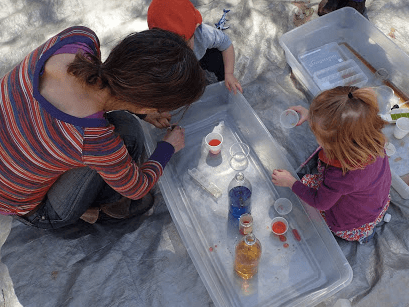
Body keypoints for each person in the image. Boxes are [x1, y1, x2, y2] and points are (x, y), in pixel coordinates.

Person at [0, 26, 206, 229]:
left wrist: (141, 110)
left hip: (12, 164)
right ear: (147, 104)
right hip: (29, 208)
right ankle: (103, 209)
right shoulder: (94, 140)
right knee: (128, 131)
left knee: (119, 128)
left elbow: (97, 90)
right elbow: (137, 188)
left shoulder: (78, 38)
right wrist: (167, 148)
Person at [272, 86, 391, 244]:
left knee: (302, 187)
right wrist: (313, 117)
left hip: (351, 225)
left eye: (317, 134)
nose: (315, 134)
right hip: (377, 204)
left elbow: (320, 202)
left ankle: (364, 235)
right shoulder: (369, 138)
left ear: (336, 144)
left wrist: (291, 183)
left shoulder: (340, 175)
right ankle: (371, 225)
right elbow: (340, 127)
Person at [147, 0, 243, 95]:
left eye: (184, 45)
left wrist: (229, 74)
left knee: (216, 57)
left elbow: (226, 44)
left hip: (201, 55)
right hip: (178, 68)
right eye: (170, 49)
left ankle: (223, 79)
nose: (179, 52)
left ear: (196, 27)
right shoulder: (154, 49)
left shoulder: (203, 33)